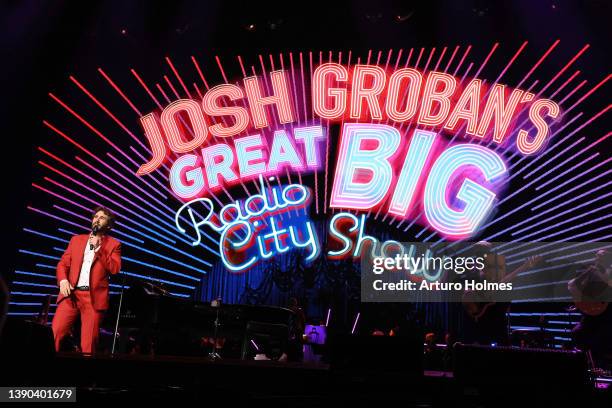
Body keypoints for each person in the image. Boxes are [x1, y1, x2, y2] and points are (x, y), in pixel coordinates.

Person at [51, 206, 121, 354]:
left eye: (102, 218)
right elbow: (62, 264)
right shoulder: (76, 240)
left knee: (88, 345)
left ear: (109, 225)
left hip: (93, 298)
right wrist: (63, 280)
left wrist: (99, 250)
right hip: (71, 295)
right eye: (95, 217)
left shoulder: (114, 244)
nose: (97, 219)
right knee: (55, 333)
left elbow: (115, 269)